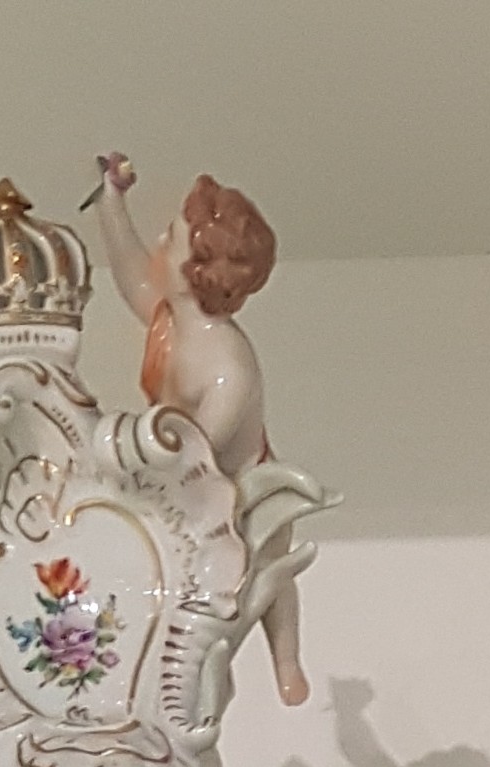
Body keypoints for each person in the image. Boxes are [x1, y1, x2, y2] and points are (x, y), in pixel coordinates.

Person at [92, 154, 308, 706]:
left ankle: (286, 660)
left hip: (237, 492)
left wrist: (131, 468)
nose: (159, 245)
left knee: (274, 567)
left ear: (198, 273)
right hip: (181, 486)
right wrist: (112, 200)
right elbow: (129, 272)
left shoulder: (227, 367)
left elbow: (197, 453)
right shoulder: (172, 321)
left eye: (171, 239)